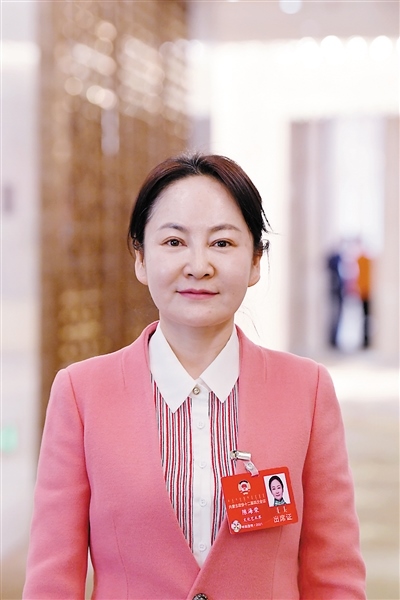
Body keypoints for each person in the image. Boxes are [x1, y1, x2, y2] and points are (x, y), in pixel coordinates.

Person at [23, 153, 366, 599]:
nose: (199, 265)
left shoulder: (308, 390)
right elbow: (52, 581)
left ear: (256, 260)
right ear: (140, 258)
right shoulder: (81, 393)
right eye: (174, 242)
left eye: (222, 243)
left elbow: (334, 576)